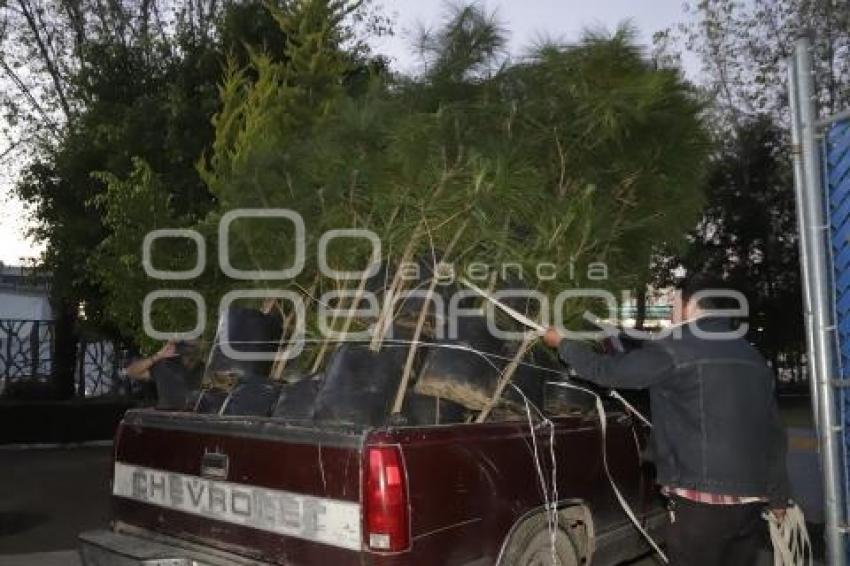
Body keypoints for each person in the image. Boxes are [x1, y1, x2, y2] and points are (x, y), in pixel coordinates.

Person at [543, 274, 790, 566]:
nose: (672, 311)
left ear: (692, 306)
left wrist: (564, 344)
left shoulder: (675, 348)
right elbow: (773, 434)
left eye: (675, 303)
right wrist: (778, 498)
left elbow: (608, 371)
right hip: (750, 505)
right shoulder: (752, 357)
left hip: (701, 504)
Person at [126, 340, 204, 410]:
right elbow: (131, 372)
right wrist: (158, 355)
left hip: (196, 420)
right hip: (165, 419)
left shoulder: (205, 368)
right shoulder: (164, 365)